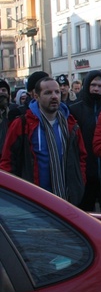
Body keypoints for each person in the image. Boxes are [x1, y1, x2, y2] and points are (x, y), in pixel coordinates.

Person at [1, 77, 86, 206]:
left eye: (57, 92)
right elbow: (7, 162)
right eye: (48, 93)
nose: (54, 96)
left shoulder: (70, 124)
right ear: (36, 96)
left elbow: (81, 158)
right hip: (32, 203)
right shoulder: (22, 124)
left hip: (67, 201)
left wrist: (79, 186)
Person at [69, 70, 101, 212]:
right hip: (83, 172)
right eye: (93, 85)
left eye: (100, 86)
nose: (96, 89)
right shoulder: (74, 109)